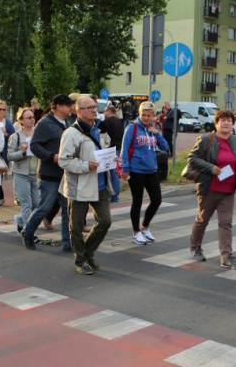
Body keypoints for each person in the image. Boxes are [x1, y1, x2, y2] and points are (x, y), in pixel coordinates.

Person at [59, 96, 117, 275]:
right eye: (89, 107)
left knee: (105, 221)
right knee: (76, 226)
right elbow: (64, 161)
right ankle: (80, 260)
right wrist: (86, 165)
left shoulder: (100, 130)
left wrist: (112, 159)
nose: (94, 110)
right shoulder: (71, 133)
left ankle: (88, 253)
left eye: (95, 107)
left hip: (100, 184)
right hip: (79, 185)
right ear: (79, 111)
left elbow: (103, 151)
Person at [188, 110, 236, 270]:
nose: (226, 123)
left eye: (229, 120)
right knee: (202, 219)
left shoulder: (235, 141)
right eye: (222, 120)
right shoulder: (207, 139)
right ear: (216, 123)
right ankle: (195, 247)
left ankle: (226, 257)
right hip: (209, 188)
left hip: (228, 190)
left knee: (226, 223)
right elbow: (192, 158)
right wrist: (210, 167)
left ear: (233, 124)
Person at [20, 94, 75, 251]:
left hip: (65, 173)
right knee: (44, 207)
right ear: (58, 106)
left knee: (67, 209)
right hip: (50, 174)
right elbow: (35, 146)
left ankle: (67, 243)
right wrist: (52, 157)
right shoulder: (45, 123)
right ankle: (28, 232)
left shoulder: (70, 122)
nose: (71, 107)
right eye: (68, 105)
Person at [120, 101, 169, 245]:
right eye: (143, 115)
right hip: (136, 170)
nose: (146, 118)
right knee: (137, 201)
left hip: (151, 170)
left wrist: (157, 134)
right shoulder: (132, 128)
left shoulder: (153, 128)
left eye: (149, 115)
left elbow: (165, 147)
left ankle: (145, 226)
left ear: (154, 116)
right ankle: (136, 232)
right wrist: (125, 169)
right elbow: (124, 149)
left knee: (157, 200)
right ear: (139, 114)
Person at [8, 108, 40, 233]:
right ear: (21, 121)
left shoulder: (37, 135)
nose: (32, 119)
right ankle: (29, 232)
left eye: (33, 117)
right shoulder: (15, 136)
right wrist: (22, 152)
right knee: (26, 204)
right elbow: (10, 156)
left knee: (36, 204)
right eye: (29, 117)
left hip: (35, 173)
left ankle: (20, 220)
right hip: (21, 173)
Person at [0, 99, 15, 208]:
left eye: (4, 110)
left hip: (2, 154)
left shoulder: (7, 123)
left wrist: (6, 134)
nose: (2, 111)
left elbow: (14, 138)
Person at [101, 105, 124, 203]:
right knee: (115, 174)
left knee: (110, 173)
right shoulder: (120, 122)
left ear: (110, 111)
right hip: (118, 149)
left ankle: (114, 196)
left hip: (109, 151)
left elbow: (99, 132)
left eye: (105, 111)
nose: (103, 113)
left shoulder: (107, 122)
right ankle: (115, 195)